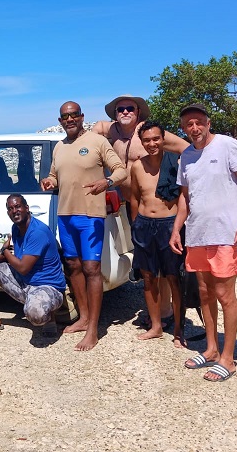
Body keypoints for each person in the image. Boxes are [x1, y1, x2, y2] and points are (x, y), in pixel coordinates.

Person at [169, 104, 237, 383]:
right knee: (204, 293)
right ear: (183, 128)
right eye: (188, 124)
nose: (193, 128)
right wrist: (176, 230)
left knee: (225, 295)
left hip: (226, 234)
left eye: (198, 122)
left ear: (208, 122)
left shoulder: (227, 145)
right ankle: (210, 349)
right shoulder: (186, 156)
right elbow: (185, 196)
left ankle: (228, 359)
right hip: (197, 234)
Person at [93, 94, 189, 326]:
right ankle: (156, 312)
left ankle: (166, 312)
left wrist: (174, 177)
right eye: (120, 109)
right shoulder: (112, 131)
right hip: (126, 206)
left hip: (156, 209)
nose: (125, 112)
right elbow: (95, 131)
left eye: (130, 109)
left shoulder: (146, 135)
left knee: (165, 267)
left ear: (139, 113)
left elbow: (186, 148)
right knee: (146, 263)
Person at [41, 101, 127, 351]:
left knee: (92, 268)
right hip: (65, 215)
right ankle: (84, 318)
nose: (69, 119)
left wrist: (107, 182)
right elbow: (54, 175)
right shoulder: (59, 147)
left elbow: (121, 170)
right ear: (60, 121)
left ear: (81, 117)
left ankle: (93, 330)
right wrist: (49, 181)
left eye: (73, 115)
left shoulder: (98, 142)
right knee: (73, 266)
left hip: (90, 216)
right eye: (65, 116)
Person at [0, 195, 67, 338]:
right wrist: (2, 257)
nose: (14, 211)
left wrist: (5, 251)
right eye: (10, 209)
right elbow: (21, 259)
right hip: (26, 283)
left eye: (18, 207)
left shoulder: (37, 231)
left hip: (48, 287)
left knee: (35, 313)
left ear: (27, 208)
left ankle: (49, 317)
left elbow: (23, 268)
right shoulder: (16, 228)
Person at [129, 121, 185, 347]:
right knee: (149, 278)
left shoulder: (176, 163)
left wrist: (179, 228)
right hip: (144, 225)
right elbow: (134, 197)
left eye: (156, 139)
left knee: (174, 278)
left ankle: (179, 330)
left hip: (169, 224)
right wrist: (135, 224)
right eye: (147, 140)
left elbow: (184, 196)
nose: (151, 144)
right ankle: (156, 327)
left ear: (163, 139)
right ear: (141, 142)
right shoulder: (136, 166)